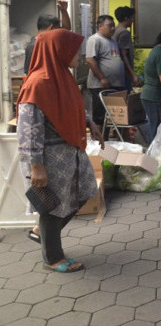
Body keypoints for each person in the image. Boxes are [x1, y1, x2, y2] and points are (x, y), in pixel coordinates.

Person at [18, 29, 102, 273]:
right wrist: (36, 166)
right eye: (75, 49)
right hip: (48, 158)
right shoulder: (37, 84)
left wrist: (89, 122)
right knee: (53, 207)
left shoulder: (61, 76)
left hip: (70, 152)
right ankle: (52, 257)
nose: (79, 54)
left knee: (84, 192)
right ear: (59, 51)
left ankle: (40, 232)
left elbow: (72, 105)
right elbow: (27, 130)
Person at [85, 15, 125, 130]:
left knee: (116, 116)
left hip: (116, 84)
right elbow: (90, 60)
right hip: (100, 85)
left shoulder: (113, 40)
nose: (113, 28)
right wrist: (102, 78)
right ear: (100, 26)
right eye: (110, 26)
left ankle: (111, 142)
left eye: (113, 26)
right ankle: (100, 143)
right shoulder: (95, 39)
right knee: (100, 116)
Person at [24, 0, 71, 74]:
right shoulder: (34, 46)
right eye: (57, 30)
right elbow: (30, 72)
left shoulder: (45, 43)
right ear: (51, 28)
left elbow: (66, 29)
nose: (59, 33)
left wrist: (63, 11)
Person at [113, 6, 139, 90]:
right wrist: (132, 74)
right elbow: (124, 55)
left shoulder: (115, 30)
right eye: (132, 18)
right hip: (124, 73)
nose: (133, 20)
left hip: (116, 70)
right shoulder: (124, 33)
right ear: (126, 18)